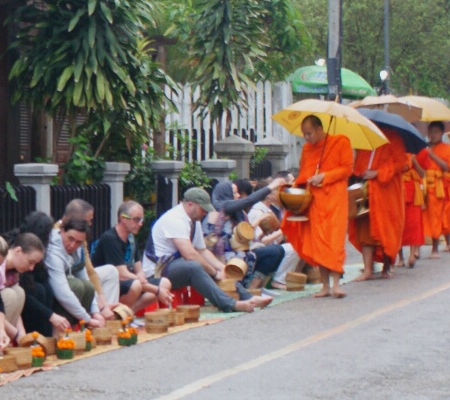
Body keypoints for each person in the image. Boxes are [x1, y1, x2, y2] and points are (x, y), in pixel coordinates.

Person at [142, 187, 271, 314]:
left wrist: (221, 268)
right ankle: (231, 304)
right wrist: (214, 272)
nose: (205, 213)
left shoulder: (194, 220)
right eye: (202, 209)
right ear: (190, 204)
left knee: (216, 268)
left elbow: (202, 251)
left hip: (177, 265)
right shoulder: (175, 219)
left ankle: (248, 297)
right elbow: (190, 255)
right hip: (157, 271)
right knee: (195, 267)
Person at [281, 115, 353, 299]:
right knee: (318, 242)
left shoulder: (340, 142)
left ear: (320, 129)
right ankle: (325, 286)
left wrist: (324, 176)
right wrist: (301, 183)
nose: (306, 137)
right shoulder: (307, 149)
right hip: (314, 200)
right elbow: (304, 171)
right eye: (304, 134)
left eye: (309, 133)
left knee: (334, 241)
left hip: (335, 199)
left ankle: (336, 285)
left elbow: (347, 169)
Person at [349, 128, 408, 280]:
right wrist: (361, 171)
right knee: (365, 228)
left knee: (385, 228)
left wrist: (377, 173)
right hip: (366, 190)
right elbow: (358, 163)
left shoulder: (393, 137)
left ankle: (386, 267)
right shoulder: (365, 136)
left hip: (386, 191)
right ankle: (368, 269)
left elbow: (401, 163)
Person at [90, 200, 170, 311]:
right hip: (108, 284)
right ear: (123, 218)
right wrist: (155, 290)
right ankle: (118, 313)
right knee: (136, 285)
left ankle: (130, 312)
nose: (140, 224)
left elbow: (138, 268)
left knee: (165, 283)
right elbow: (122, 274)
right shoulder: (110, 238)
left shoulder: (131, 238)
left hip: (128, 280)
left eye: (142, 220)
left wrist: (141, 276)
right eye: (137, 219)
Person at [0, 231, 66, 342]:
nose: (31, 268)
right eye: (30, 262)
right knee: (10, 295)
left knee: (19, 292)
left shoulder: (13, 273)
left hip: (5, 323)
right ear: (18, 251)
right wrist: (17, 335)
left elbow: (17, 311)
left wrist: (23, 337)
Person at [47, 216, 114, 327]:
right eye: (70, 239)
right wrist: (88, 319)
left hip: (63, 290)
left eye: (78, 242)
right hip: (48, 293)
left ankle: (75, 327)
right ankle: (59, 331)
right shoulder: (53, 252)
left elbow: (86, 279)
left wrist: (95, 312)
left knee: (88, 286)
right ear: (62, 230)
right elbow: (63, 293)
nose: (73, 245)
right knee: (77, 286)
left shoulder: (78, 249)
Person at [415, 122, 450, 256]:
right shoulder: (423, 148)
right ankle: (416, 249)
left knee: (436, 217)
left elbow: (447, 167)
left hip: (438, 187)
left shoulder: (447, 149)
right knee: (419, 218)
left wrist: (432, 156)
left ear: (442, 133)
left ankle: (435, 248)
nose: (433, 135)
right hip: (423, 184)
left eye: (436, 132)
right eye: (431, 132)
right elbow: (418, 166)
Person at [401, 155, 427, 268]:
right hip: (399, 190)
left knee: (414, 224)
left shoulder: (416, 155)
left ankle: (412, 255)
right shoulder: (397, 153)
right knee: (399, 225)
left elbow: (422, 174)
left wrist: (415, 163)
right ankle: (400, 258)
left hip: (414, 193)